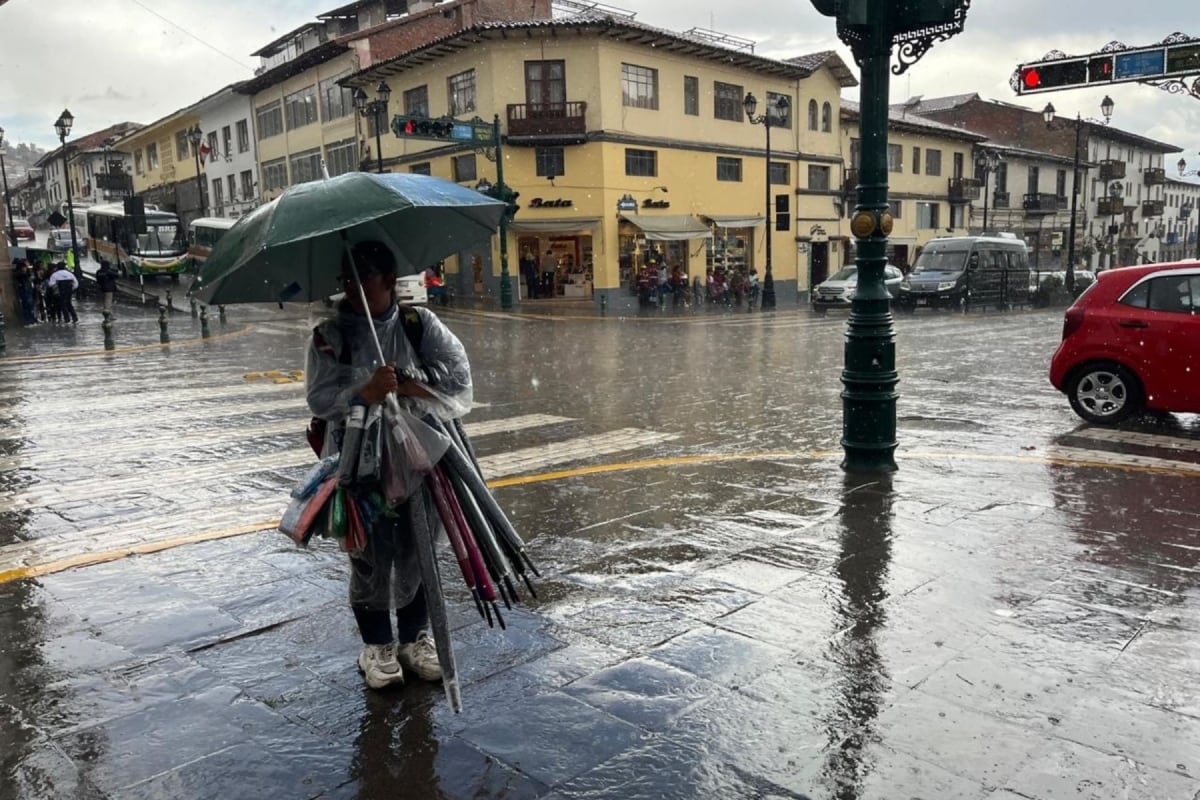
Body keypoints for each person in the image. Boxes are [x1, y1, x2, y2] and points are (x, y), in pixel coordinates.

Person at [306, 240, 473, 691]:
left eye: (366, 279)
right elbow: (320, 398)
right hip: (359, 461)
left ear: (388, 281)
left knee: (418, 545)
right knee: (369, 552)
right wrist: (365, 392)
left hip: (417, 455)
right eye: (348, 281)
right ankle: (376, 644)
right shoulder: (330, 335)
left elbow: (458, 381)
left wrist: (410, 384)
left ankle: (415, 639)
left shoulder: (420, 325)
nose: (356, 290)